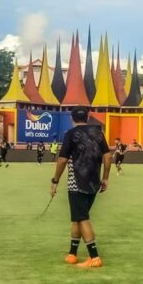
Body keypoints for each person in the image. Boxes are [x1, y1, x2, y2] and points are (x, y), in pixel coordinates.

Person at [50, 106, 112, 269]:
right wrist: (105, 178)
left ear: (72, 118)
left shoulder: (70, 134)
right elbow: (107, 156)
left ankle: (94, 257)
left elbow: (62, 160)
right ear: (87, 117)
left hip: (76, 182)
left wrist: (55, 181)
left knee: (82, 217)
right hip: (94, 182)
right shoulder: (98, 132)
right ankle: (72, 254)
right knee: (78, 217)